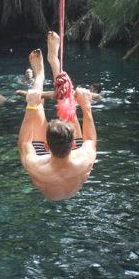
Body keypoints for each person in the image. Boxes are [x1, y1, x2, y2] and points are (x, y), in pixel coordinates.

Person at [17, 31, 98, 201]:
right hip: (73, 168)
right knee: (62, 108)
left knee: (36, 107)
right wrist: (86, 104)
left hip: (47, 173)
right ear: (73, 140)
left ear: (47, 143)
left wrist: (31, 105)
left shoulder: (36, 164)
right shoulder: (84, 158)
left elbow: (24, 142)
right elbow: (90, 140)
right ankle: (54, 61)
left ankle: (39, 75)